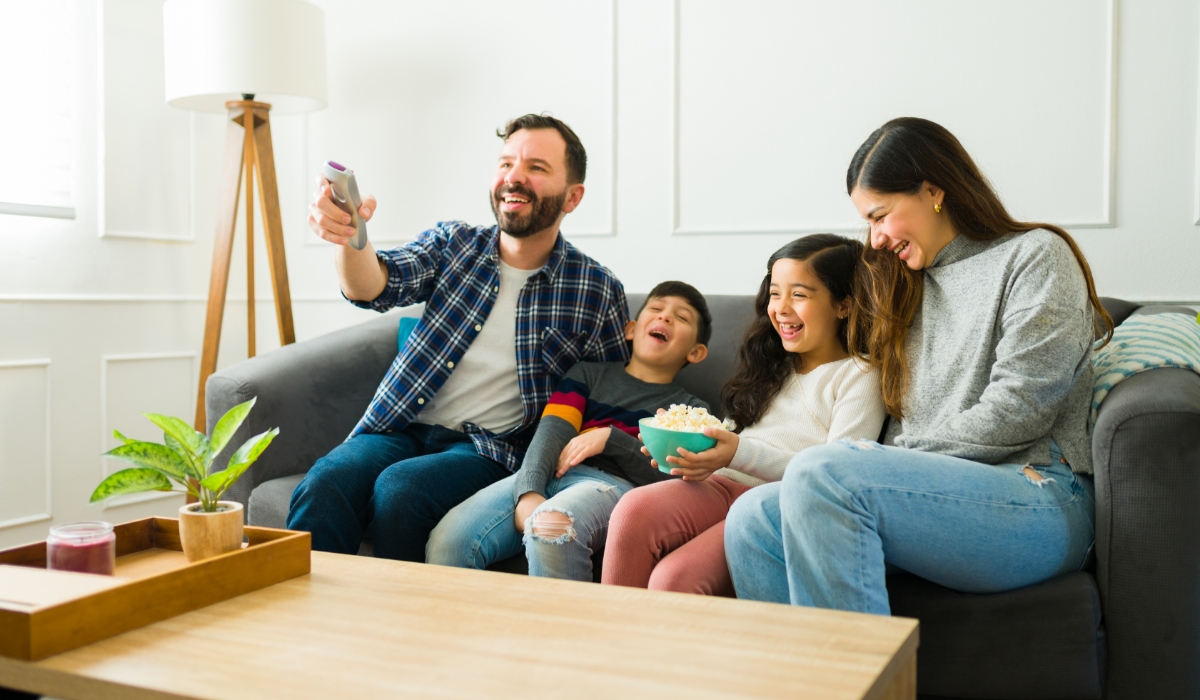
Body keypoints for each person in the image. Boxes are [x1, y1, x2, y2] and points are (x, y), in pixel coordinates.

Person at [724, 117, 1114, 614]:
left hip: (1037, 496)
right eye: (867, 222)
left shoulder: (1035, 257)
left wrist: (887, 458)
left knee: (828, 471)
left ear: (934, 191)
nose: (875, 239)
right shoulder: (901, 285)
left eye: (880, 215)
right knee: (751, 518)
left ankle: (862, 689)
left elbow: (1022, 409)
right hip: (922, 493)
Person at [286, 114, 631, 562]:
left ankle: (402, 626)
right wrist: (351, 236)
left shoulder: (596, 289)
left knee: (403, 488)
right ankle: (303, 622)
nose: (514, 177)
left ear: (573, 196)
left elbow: (608, 396)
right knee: (325, 482)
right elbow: (373, 285)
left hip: (490, 450)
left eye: (537, 168)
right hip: (401, 427)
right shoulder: (455, 244)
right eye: (506, 163)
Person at [601, 235, 887, 596]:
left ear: (843, 305)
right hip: (721, 484)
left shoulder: (858, 374)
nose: (781, 308)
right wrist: (684, 447)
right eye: (775, 293)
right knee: (632, 510)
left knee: (674, 579)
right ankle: (614, 646)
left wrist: (737, 452)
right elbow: (729, 442)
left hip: (776, 503)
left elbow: (833, 477)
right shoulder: (769, 364)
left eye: (799, 294)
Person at [426, 281, 712, 581]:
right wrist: (530, 490)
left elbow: (673, 483)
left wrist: (611, 439)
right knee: (449, 541)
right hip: (550, 472)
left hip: (613, 486)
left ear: (696, 351)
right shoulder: (587, 374)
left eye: (681, 317)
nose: (664, 317)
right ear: (630, 329)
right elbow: (551, 433)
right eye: (656, 308)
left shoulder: (691, 412)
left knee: (552, 526)